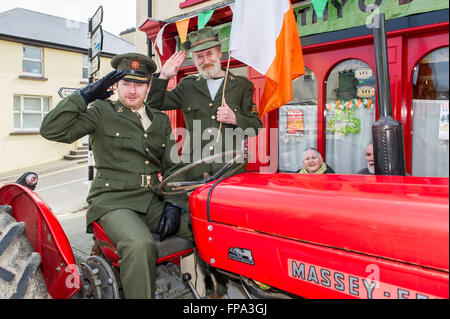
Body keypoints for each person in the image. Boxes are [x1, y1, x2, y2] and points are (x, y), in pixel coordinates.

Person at [40, 53, 192, 299]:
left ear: (147, 86)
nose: (132, 91)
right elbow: (50, 129)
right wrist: (85, 95)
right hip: (113, 202)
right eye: (126, 83)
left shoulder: (161, 121)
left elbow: (173, 167)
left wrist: (175, 203)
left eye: (139, 84)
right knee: (139, 245)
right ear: (115, 86)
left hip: (151, 200)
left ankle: (214, 291)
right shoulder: (102, 111)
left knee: (202, 227)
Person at [147, 26, 263, 181]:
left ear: (219, 53)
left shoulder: (242, 86)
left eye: (210, 53)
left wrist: (235, 119)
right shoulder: (187, 85)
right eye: (199, 56)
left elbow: (255, 127)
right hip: (194, 171)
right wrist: (163, 76)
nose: (206, 60)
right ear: (194, 59)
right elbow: (153, 104)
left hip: (230, 171)